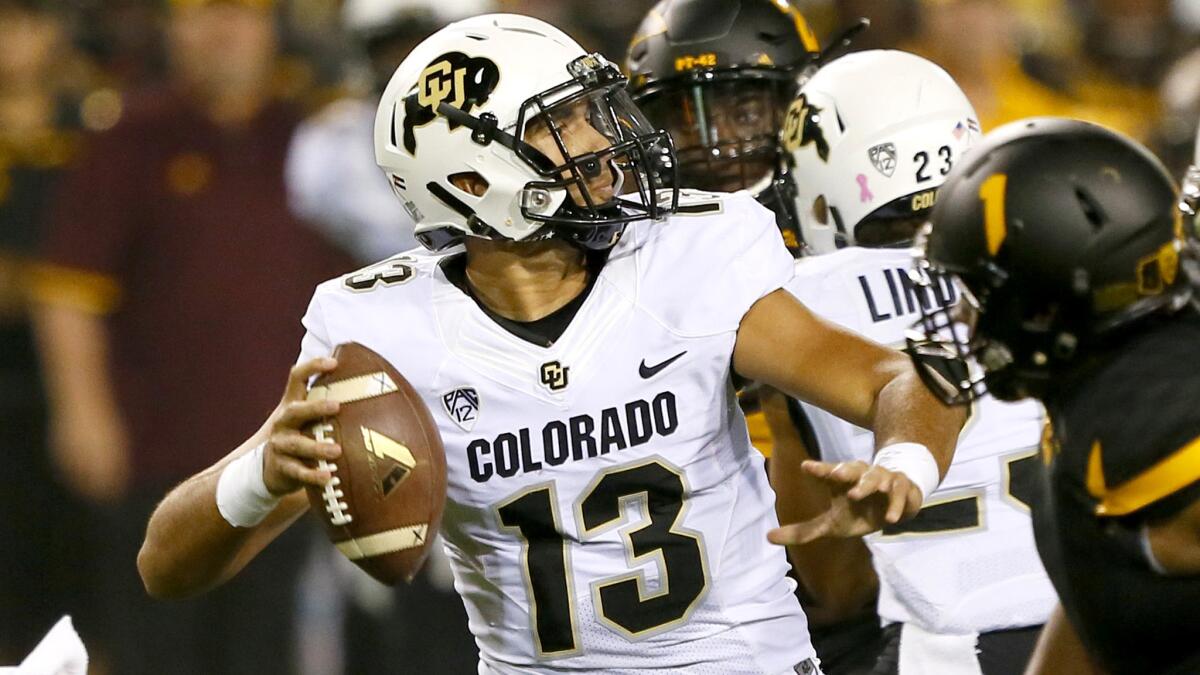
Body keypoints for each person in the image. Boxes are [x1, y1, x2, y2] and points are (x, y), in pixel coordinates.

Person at [138, 14, 966, 674]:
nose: (605, 146)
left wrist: (904, 464)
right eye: (563, 127)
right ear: (469, 180)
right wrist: (257, 474)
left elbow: (901, 376)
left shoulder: (688, 257)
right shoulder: (383, 333)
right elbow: (164, 568)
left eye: (595, 114)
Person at [31, 0, 353, 672]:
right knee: (159, 646)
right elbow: (69, 289)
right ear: (173, 29)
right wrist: (82, 411)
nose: (222, 31)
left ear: (270, 29)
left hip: (287, 458)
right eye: (202, 13)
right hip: (159, 453)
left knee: (268, 649)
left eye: (240, 13)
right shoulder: (131, 137)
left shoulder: (315, 138)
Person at [770, 49, 1057, 675]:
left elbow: (835, 588)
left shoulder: (798, 300)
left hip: (949, 644)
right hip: (1100, 617)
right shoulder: (1057, 256)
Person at [905, 116, 1200, 675]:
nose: (964, 321)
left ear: (1042, 304)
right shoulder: (1093, 389)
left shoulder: (1143, 421)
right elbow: (1100, 598)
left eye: (978, 294)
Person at [286, 0, 495, 264]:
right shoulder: (329, 142)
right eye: (396, 51)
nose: (414, 70)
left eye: (433, 53)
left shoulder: (507, 130)